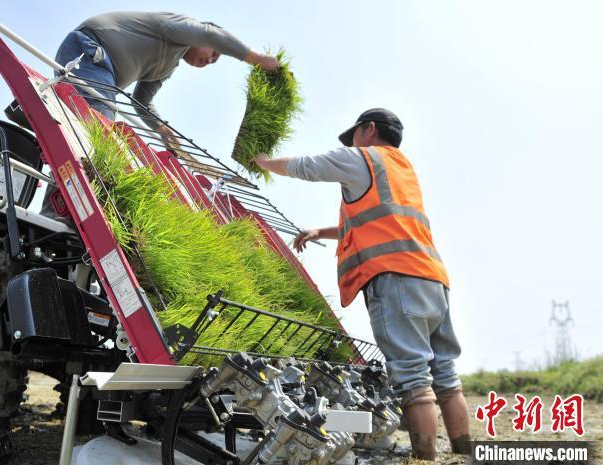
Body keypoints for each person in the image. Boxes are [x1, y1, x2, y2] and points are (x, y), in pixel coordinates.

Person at [253, 108, 471, 460]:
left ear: (369, 129)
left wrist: (264, 162)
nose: (351, 144)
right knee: (445, 374)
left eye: (353, 135)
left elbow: (307, 166)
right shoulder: (403, 169)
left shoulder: (362, 159)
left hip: (396, 279)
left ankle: (425, 456)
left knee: (414, 379)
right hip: (433, 278)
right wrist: (320, 231)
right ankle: (464, 451)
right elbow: (379, 223)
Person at [55, 11, 279, 146]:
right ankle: (61, 214)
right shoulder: (177, 27)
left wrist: (162, 129)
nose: (211, 60)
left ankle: (58, 213)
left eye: (214, 62)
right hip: (88, 51)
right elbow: (209, 33)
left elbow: (141, 99)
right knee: (95, 132)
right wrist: (256, 58)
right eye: (214, 52)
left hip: (102, 74)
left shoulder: (168, 66)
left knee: (83, 134)